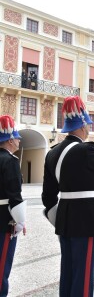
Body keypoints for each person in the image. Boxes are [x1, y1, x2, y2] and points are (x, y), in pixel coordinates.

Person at [41, 96, 94, 297]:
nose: (88, 129)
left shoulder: (52, 153)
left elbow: (48, 197)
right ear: (82, 125)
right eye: (87, 125)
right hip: (86, 218)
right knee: (83, 272)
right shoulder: (87, 149)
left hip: (64, 219)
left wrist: (60, 219)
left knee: (67, 269)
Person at [0, 115, 26, 297]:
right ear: (10, 140)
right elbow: (14, 195)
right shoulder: (10, 161)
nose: (18, 141)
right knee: (2, 268)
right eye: (17, 138)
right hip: (4, 219)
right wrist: (20, 222)